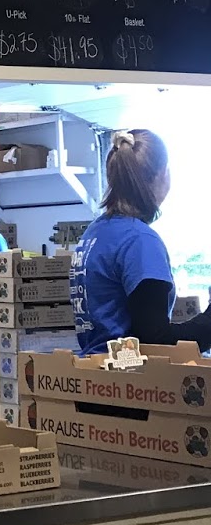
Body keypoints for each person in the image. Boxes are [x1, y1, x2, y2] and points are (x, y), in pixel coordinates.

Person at [71, 128, 211, 356]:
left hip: (97, 372)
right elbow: (156, 341)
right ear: (163, 174)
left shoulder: (95, 233)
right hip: (130, 379)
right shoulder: (140, 240)